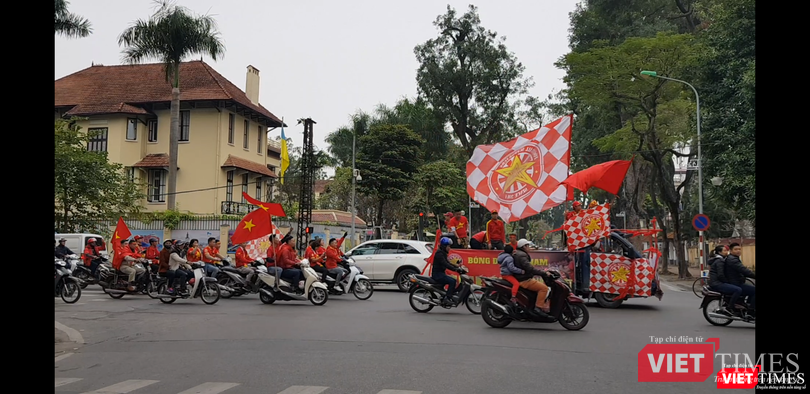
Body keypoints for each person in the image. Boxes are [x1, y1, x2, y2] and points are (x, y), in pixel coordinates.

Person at [709, 243, 755, 316]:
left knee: (751, 290)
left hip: (736, 281)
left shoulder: (732, 258)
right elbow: (743, 270)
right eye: (736, 249)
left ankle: (747, 306)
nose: (738, 251)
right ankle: (750, 311)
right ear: (730, 250)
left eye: (739, 249)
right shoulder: (732, 260)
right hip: (735, 283)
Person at [512, 239, 552, 318]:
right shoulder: (522, 255)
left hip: (521, 278)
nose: (529, 247)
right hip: (524, 280)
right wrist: (543, 273)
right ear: (524, 246)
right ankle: (538, 308)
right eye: (528, 246)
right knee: (544, 289)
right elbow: (530, 269)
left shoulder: (518, 253)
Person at [431, 237, 461, 306]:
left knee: (452, 280)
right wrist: (455, 269)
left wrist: (456, 266)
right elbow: (445, 264)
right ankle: (447, 298)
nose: (449, 248)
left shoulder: (442, 253)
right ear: (444, 246)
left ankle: (445, 295)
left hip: (441, 273)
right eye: (448, 246)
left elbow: (448, 262)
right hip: (437, 275)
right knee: (452, 281)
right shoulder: (439, 254)